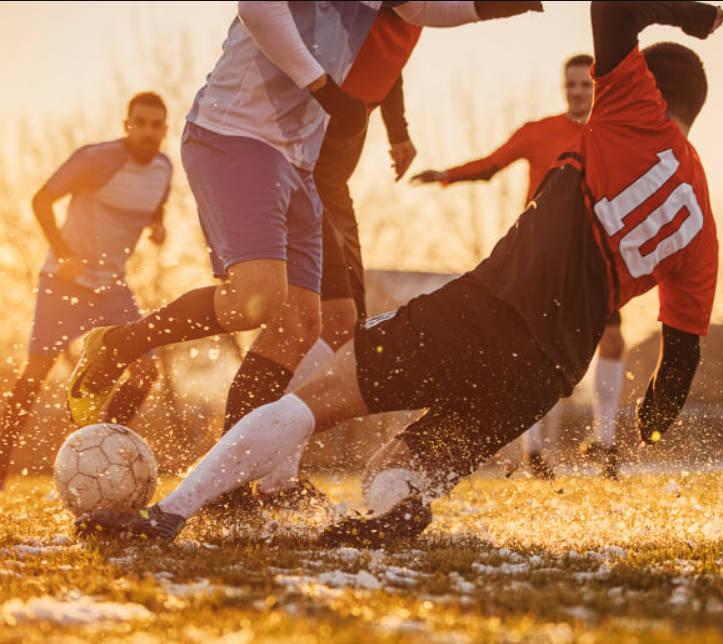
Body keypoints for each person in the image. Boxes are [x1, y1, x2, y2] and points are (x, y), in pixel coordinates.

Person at [76, 1, 723, 545]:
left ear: (648, 87)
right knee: (397, 466)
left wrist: (686, 14)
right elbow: (678, 358)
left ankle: (167, 516)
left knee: (312, 401)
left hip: (481, 311)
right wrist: (651, 424)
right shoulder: (701, 228)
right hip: (549, 372)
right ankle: (396, 511)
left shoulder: (634, 114)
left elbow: (614, 6)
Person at [65, 1, 543, 494]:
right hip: (235, 135)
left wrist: (501, 5)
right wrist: (322, 88)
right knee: (259, 297)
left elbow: (420, 8)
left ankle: (229, 487)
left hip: (297, 161)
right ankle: (120, 343)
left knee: (321, 322)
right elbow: (256, 7)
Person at [412, 54, 626, 479]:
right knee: (533, 347)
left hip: (592, 254)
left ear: (598, 88)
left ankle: (605, 442)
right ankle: (533, 449)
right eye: (571, 84)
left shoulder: (612, 135)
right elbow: (492, 165)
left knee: (613, 340)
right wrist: (447, 174)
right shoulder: (538, 132)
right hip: (540, 254)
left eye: (586, 84)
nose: (578, 91)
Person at [256, 5, 424, 501]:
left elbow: (387, 68)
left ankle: (275, 471)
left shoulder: (404, 22)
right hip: (306, 183)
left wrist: (398, 131)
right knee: (323, 321)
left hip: (334, 187)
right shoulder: (353, 18)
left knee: (349, 326)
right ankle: (272, 475)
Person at [0, 92, 171, 489]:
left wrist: (157, 227)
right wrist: (62, 252)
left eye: (155, 125)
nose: (147, 132)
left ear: (164, 130)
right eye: (139, 123)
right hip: (64, 283)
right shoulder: (95, 159)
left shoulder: (164, 169)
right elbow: (41, 200)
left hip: (113, 288)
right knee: (36, 375)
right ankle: (1, 469)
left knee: (145, 371)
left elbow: (155, 206)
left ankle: (98, 453)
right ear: (126, 125)